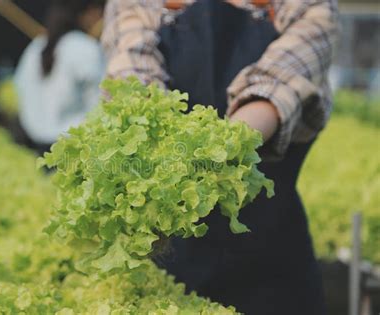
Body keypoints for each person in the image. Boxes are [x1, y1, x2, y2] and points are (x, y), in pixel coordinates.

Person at [101, 0, 338, 314]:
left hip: (271, 262)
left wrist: (211, 155)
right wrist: (157, 158)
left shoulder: (304, 5)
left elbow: (277, 84)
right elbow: (133, 80)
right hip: (169, 261)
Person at [15, 0, 106, 155]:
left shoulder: (36, 45)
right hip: (74, 150)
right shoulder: (85, 48)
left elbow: (19, 88)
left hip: (37, 147)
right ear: (89, 11)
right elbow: (100, 103)